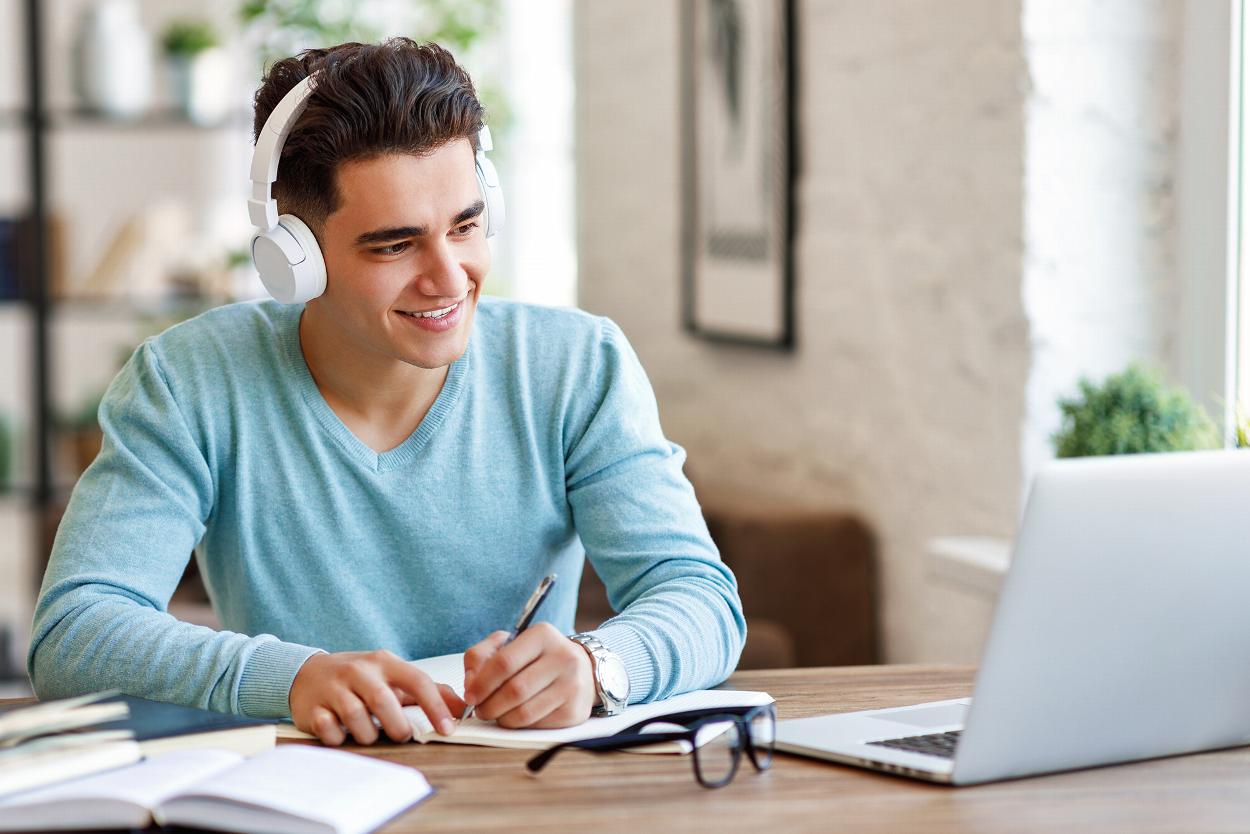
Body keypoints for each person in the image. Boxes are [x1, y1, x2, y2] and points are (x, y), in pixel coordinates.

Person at [27, 38, 745, 747]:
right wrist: (293, 677)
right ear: (294, 258)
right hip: (301, 789)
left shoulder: (577, 365)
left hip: (522, 791)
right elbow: (76, 634)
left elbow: (700, 597)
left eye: (466, 226)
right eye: (395, 245)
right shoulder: (189, 382)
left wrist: (600, 666)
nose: (449, 277)